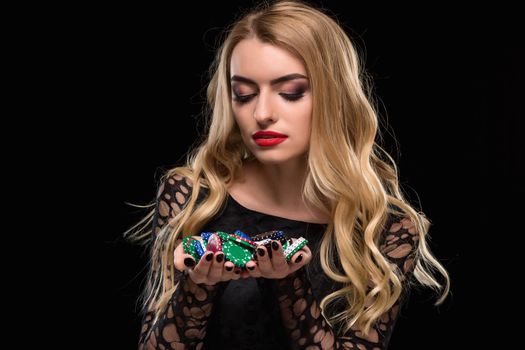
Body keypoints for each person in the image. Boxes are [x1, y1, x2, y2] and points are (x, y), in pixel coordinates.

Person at [125, 1, 450, 349]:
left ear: (333, 97)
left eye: (290, 92)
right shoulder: (191, 196)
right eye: (244, 94)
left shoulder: (386, 227)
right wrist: (198, 287)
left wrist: (289, 282)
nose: (262, 113)